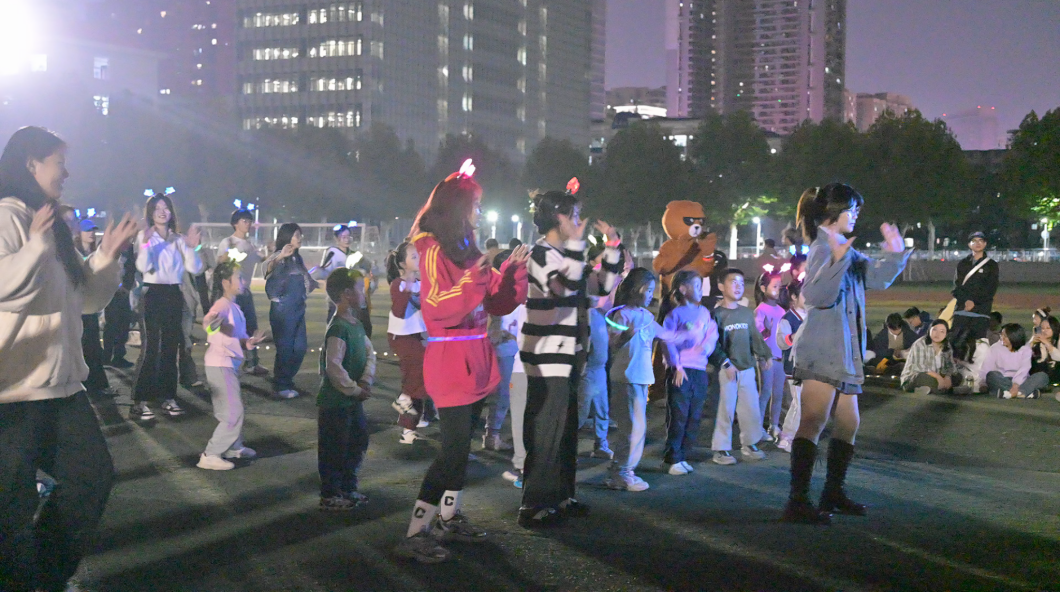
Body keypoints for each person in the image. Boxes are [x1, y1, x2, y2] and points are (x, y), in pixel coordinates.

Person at [0, 126, 138, 592]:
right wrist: (35, 247)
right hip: (12, 392)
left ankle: (43, 575)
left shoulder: (53, 226)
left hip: (61, 388)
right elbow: (5, 286)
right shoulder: (7, 216)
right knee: (10, 509)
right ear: (31, 164)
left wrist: (106, 255)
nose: (67, 172)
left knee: (91, 479)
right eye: (59, 162)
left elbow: (85, 300)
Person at [393, 162, 528, 563]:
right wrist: (475, 279)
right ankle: (416, 531)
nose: (480, 212)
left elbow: (498, 303)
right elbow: (440, 308)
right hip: (451, 360)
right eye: (476, 205)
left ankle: (449, 517)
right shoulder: (433, 249)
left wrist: (511, 271)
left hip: (475, 358)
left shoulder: (466, 249)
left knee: (462, 447)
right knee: (452, 451)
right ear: (459, 208)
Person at [783, 184, 911, 525]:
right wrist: (837, 261)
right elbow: (816, 296)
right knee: (813, 420)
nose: (855, 215)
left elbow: (877, 279)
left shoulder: (843, 247)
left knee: (849, 423)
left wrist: (895, 253)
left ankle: (833, 492)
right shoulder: (822, 247)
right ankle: (798, 501)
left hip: (844, 350)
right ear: (833, 211)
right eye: (851, 209)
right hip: (824, 348)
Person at [518, 187, 623, 526]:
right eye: (574, 215)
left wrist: (612, 247)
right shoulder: (541, 254)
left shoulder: (567, 253)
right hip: (547, 354)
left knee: (565, 430)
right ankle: (533, 504)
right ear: (557, 217)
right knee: (546, 428)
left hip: (571, 353)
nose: (579, 222)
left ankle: (562, 495)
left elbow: (601, 287)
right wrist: (578, 248)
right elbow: (562, 287)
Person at [130, 192, 203, 420]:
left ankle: (168, 397)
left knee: (171, 348)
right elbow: (143, 266)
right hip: (152, 294)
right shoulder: (145, 236)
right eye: (157, 208)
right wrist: (145, 244)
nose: (162, 212)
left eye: (166, 207)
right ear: (151, 213)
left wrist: (191, 247)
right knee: (151, 348)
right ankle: (140, 401)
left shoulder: (178, 239)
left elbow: (195, 268)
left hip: (174, 294)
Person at [197, 260, 266, 471]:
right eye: (239, 277)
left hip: (227, 364)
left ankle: (233, 447)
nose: (243, 281)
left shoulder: (234, 306)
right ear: (226, 282)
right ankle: (210, 454)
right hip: (221, 365)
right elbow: (209, 322)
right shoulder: (222, 305)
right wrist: (212, 325)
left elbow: (238, 336)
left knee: (229, 410)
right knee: (233, 412)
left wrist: (249, 342)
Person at [318, 268, 376, 510]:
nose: (364, 293)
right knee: (334, 448)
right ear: (346, 294)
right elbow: (334, 367)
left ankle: (348, 487)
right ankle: (330, 494)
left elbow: (369, 353)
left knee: (357, 442)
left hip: (352, 401)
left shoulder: (356, 325)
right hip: (335, 403)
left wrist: (366, 381)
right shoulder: (338, 328)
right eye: (360, 288)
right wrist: (354, 389)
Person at [709, 268, 773, 466]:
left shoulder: (746, 313)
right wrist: (725, 363)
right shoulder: (716, 315)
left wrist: (764, 354)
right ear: (721, 286)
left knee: (750, 408)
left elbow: (754, 336)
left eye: (741, 283)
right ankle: (721, 448)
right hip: (726, 371)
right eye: (733, 282)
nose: (738, 286)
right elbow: (712, 344)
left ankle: (750, 443)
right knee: (725, 409)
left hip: (747, 369)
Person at [660, 270, 718, 475]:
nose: (701, 290)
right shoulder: (674, 315)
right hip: (681, 371)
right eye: (697, 286)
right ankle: (672, 458)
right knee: (679, 414)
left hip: (699, 370)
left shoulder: (704, 313)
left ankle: (683, 455)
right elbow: (667, 341)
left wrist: (706, 347)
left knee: (694, 415)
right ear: (683, 289)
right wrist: (676, 366)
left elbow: (712, 332)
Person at [264, 223, 317, 399]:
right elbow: (267, 269)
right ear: (287, 237)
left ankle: (286, 379)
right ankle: (281, 385)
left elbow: (304, 280)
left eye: (300, 235)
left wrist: (315, 281)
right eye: (296, 235)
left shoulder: (297, 258)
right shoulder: (278, 256)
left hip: (298, 308)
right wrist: (280, 257)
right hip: (283, 310)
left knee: (300, 348)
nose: (299, 238)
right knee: (285, 349)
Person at [385, 239, 429, 445]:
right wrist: (409, 289)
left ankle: (409, 429)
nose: (418, 259)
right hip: (402, 336)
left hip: (418, 335)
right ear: (402, 264)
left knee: (417, 381)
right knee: (416, 377)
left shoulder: (421, 283)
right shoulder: (398, 284)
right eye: (413, 256)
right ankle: (404, 400)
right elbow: (400, 311)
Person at [216, 208, 268, 376]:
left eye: (249, 221)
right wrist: (231, 254)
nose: (248, 224)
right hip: (232, 294)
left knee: (251, 328)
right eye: (244, 221)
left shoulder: (250, 245)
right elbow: (220, 261)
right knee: (231, 330)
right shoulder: (228, 242)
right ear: (235, 223)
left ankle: (252, 363)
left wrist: (270, 252)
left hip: (245, 291)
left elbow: (262, 259)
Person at [74, 218, 112, 396]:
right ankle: (85, 384)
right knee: (83, 345)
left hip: (92, 305)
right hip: (78, 305)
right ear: (79, 233)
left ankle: (97, 384)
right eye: (87, 230)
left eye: (93, 230)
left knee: (93, 345)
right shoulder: (74, 252)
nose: (91, 233)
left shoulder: (96, 252)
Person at [754, 270, 786, 441]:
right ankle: (757, 427)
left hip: (780, 357)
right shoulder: (760, 310)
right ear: (763, 288)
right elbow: (758, 336)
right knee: (765, 391)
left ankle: (774, 425)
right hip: (767, 358)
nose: (778, 290)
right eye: (774, 286)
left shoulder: (781, 311)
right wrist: (766, 330)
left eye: (779, 287)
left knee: (778, 393)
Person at [949, 231, 998, 340]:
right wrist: (966, 301)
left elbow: (991, 289)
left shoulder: (991, 265)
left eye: (981, 240)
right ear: (969, 244)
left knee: (978, 344)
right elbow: (956, 287)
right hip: (962, 310)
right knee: (956, 342)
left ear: (985, 244)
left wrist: (973, 302)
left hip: (981, 312)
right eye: (974, 241)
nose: (978, 243)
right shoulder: (962, 264)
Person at [776, 282, 807, 452]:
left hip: (809, 367)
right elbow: (782, 342)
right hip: (794, 368)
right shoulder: (787, 319)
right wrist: (797, 335)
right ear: (794, 297)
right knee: (799, 404)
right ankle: (787, 438)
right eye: (804, 294)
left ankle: (793, 436)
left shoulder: (811, 315)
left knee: (802, 403)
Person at [980, 324, 1047, 399]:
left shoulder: (1025, 348)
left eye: (1005, 336)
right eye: (1001, 335)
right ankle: (1023, 393)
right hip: (1003, 379)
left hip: (1022, 380)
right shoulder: (995, 348)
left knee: (1042, 376)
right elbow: (987, 367)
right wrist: (983, 383)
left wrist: (1016, 384)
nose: (1002, 338)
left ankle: (1009, 393)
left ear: (1014, 337)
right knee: (991, 375)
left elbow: (1024, 369)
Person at [101, 242, 137, 368]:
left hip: (124, 292)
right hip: (111, 291)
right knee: (112, 323)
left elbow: (131, 269)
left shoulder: (129, 248)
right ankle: (107, 355)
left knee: (123, 323)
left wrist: (126, 287)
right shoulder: (109, 244)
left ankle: (118, 356)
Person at [900, 320, 958, 394]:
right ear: (929, 330)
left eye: (942, 331)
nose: (937, 334)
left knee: (957, 377)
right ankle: (945, 390)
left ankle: (928, 389)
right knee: (923, 377)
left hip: (936, 377)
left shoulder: (947, 345)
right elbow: (920, 367)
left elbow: (951, 365)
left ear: (946, 334)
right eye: (934, 330)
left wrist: (948, 377)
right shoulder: (920, 343)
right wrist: (939, 378)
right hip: (915, 377)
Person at [318, 224, 354, 322]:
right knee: (334, 319)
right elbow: (324, 271)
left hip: (350, 293)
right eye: (343, 237)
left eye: (348, 237)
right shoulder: (332, 252)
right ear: (337, 238)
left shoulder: (353, 254)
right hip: (336, 293)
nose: (347, 240)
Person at [1029, 315, 1060, 388]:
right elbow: (1022, 357)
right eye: (1042, 328)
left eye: (1048, 328)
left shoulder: (1057, 340)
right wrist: (1031, 343)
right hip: (1039, 375)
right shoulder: (1036, 342)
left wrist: (1047, 343)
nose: (1044, 331)